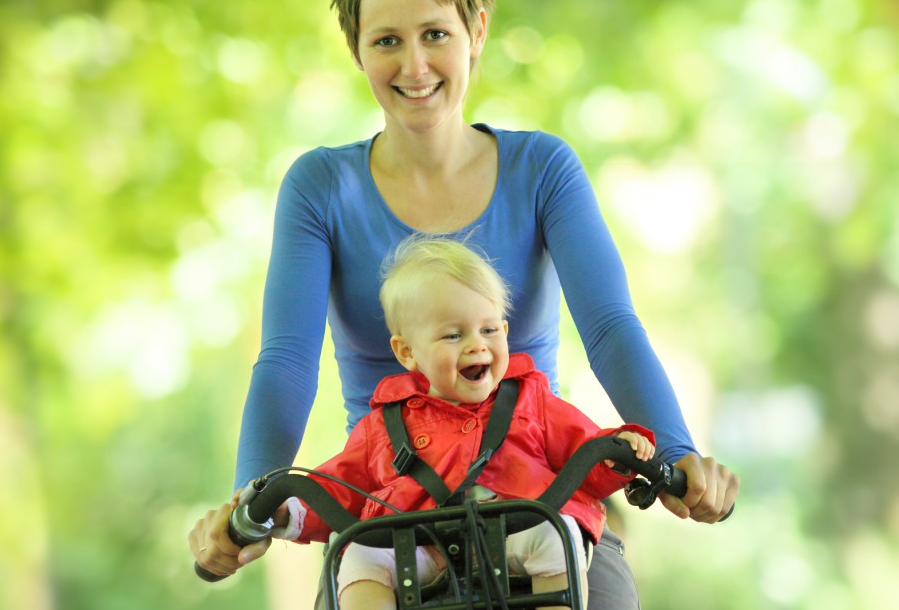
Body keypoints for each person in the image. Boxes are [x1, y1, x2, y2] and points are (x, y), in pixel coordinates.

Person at [190, 0, 739, 606]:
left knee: (603, 591)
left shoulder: (541, 170)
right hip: (390, 510)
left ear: (476, 31)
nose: (414, 64)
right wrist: (253, 498)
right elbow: (285, 361)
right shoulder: (320, 187)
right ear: (356, 47)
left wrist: (677, 454)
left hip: (533, 488)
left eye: (435, 33)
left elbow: (611, 327)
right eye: (386, 40)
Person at [261, 236, 658, 608]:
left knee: (559, 533)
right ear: (407, 352)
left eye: (488, 330)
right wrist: (289, 509)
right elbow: (339, 485)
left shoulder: (531, 401)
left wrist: (617, 453)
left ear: (504, 331)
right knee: (359, 555)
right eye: (453, 335)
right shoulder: (386, 423)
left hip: (518, 529)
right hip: (417, 545)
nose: (476, 344)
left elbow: (582, 449)